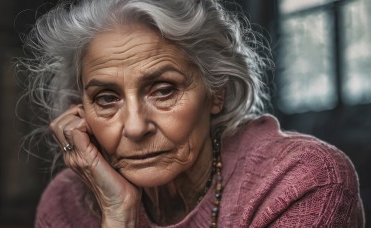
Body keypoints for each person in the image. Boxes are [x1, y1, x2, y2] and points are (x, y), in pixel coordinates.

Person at [19, 0, 365, 227]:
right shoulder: (67, 204)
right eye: (107, 98)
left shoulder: (302, 181)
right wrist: (117, 215)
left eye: (164, 90)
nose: (136, 127)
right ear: (80, 113)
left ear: (217, 92)